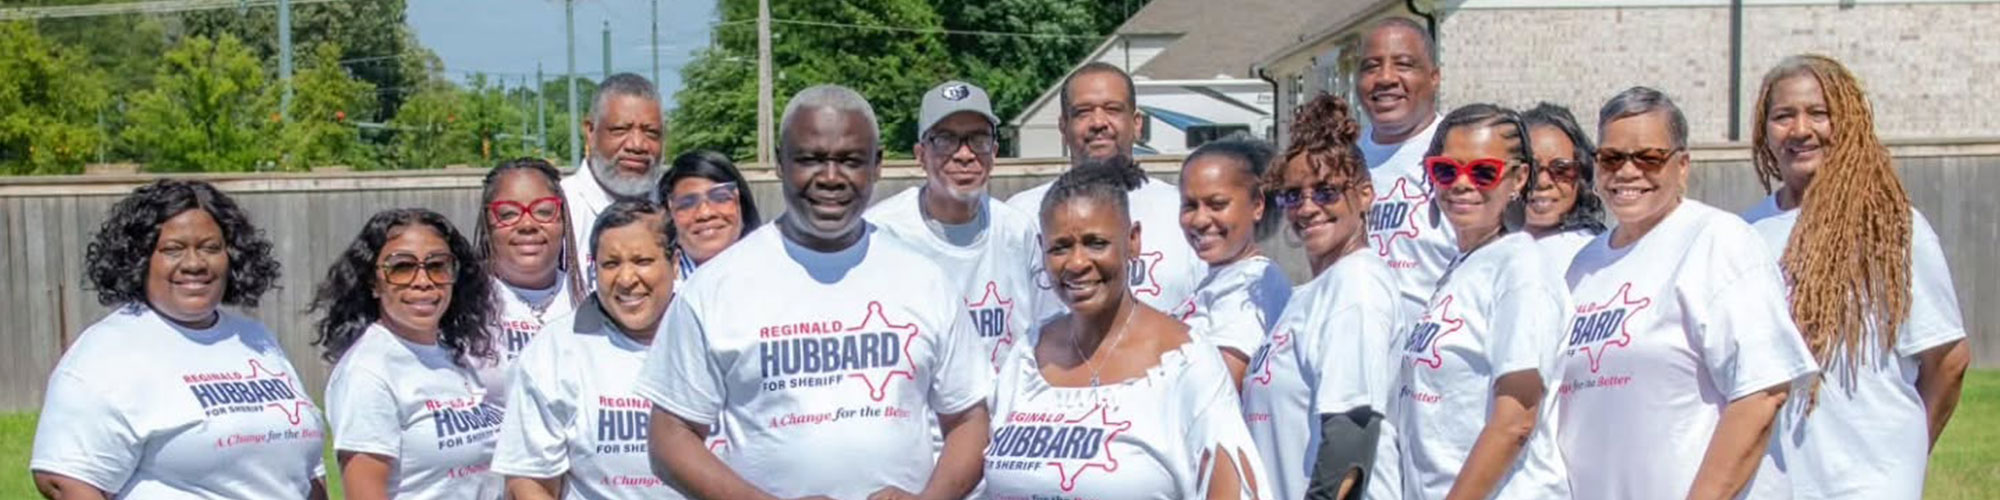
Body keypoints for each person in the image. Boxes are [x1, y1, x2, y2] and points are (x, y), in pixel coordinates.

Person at [638, 85, 990, 499]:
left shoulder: (924, 280)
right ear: (780, 162)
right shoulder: (716, 287)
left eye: (850, 161)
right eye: (810, 159)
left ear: (877, 165)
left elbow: (969, 420)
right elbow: (670, 436)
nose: (830, 178)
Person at [1557, 87, 1817, 500]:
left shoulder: (1718, 241)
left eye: (1648, 157)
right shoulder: (1583, 267)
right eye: (1612, 158)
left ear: (1682, 166)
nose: (1628, 171)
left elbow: (1762, 394)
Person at [1741, 54, 1970, 500]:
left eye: (1818, 113)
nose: (1801, 129)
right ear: (1764, 131)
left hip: (1870, 484)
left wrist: (1904, 461)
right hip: (1773, 486)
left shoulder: (1893, 228)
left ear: (1846, 123)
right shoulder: (1744, 234)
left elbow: (1948, 361)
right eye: (1783, 116)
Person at [983, 158, 1271, 499]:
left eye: (1095, 243)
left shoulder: (1185, 363)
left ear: (1132, 241)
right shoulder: (1026, 356)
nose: (1077, 263)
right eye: (1060, 247)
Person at [31, 180, 324, 499]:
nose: (194, 263)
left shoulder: (255, 339)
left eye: (210, 248)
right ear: (139, 258)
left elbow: (307, 472)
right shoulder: (106, 354)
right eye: (173, 249)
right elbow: (67, 480)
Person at [1395, 104, 1569, 499]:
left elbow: (1515, 420)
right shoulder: (1462, 267)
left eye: (1483, 172)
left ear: (1518, 178)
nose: (1461, 184)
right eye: (1445, 170)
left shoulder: (1521, 268)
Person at [1240, 94, 1402, 500]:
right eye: (1294, 195)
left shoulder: (1356, 283)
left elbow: (1351, 437)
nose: (1308, 208)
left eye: (1326, 192)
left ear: (1365, 194)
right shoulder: (1309, 294)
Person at [494, 201, 684, 500]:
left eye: (642, 261)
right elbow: (528, 481)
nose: (626, 279)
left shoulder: (713, 336)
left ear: (675, 263)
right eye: (611, 264)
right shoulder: (554, 350)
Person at [315, 208, 503, 500]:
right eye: (402, 267)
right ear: (373, 282)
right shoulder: (367, 373)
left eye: (437, 266)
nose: (423, 281)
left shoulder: (456, 355)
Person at [1004, 62, 1206, 316]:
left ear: (1137, 123)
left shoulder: (1183, 212)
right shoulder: (1021, 215)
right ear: (1063, 127)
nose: (1098, 122)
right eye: (1083, 112)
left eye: (1112, 109)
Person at [867, 80, 1043, 370]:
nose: (964, 154)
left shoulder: (1016, 231)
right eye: (946, 139)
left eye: (978, 139)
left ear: (994, 151)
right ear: (920, 154)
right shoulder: (882, 233)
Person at [1354, 17, 1458, 326]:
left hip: (1443, 341)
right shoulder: (1343, 161)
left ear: (1434, 77)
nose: (1385, 78)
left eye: (1403, 64)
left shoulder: (1460, 152)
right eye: (1371, 67)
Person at [1171, 137, 1290, 384]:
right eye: (1189, 206)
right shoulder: (1221, 278)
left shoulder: (1252, 283)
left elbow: (1221, 386)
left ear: (1257, 205)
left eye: (1217, 205)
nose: (1200, 220)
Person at [474, 158, 588, 406]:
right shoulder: (463, 303)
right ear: (487, 223)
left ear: (563, 220)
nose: (527, 224)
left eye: (544, 211)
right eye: (508, 214)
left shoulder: (591, 305)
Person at [563, 73, 667, 284]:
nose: (637, 145)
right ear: (590, 131)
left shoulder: (676, 209)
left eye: (651, 132)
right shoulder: (559, 212)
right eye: (620, 130)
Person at [1520, 103, 1607, 274]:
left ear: (1582, 174)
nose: (1542, 182)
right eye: (1531, 169)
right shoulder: (1485, 248)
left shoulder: (1595, 256)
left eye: (1561, 169)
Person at [661, 150, 762, 278]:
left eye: (720, 198)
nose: (705, 213)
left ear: (741, 205)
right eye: (687, 204)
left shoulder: (773, 270)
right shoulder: (660, 283)